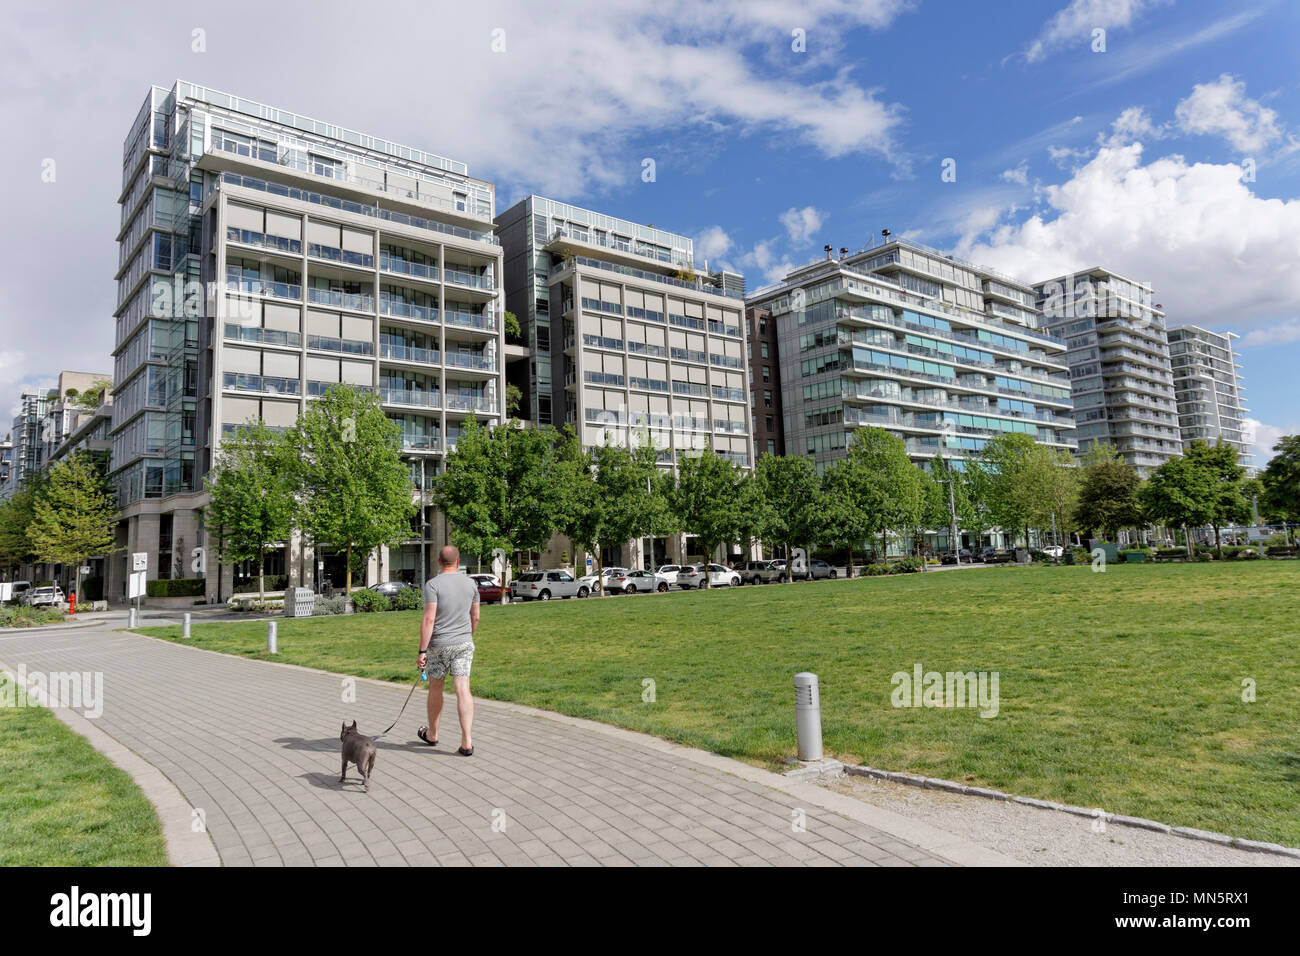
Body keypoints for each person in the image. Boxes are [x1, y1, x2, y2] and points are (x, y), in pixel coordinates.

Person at [416, 545, 480, 755]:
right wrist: (468, 635)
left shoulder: (433, 584)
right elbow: (476, 616)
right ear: (458, 561)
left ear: (438, 562)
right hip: (463, 644)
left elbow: (429, 619)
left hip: (439, 645)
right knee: (463, 689)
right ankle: (467, 742)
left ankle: (432, 734)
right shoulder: (471, 584)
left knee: (436, 687)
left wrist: (422, 651)